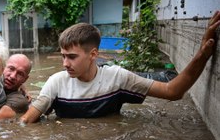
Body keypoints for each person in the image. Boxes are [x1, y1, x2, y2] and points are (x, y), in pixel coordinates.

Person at [20, 10, 220, 124]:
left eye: (71, 57)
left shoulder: (117, 78)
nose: (65, 64)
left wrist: (202, 55)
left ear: (93, 55)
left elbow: (172, 91)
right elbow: (26, 122)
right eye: (63, 56)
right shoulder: (56, 83)